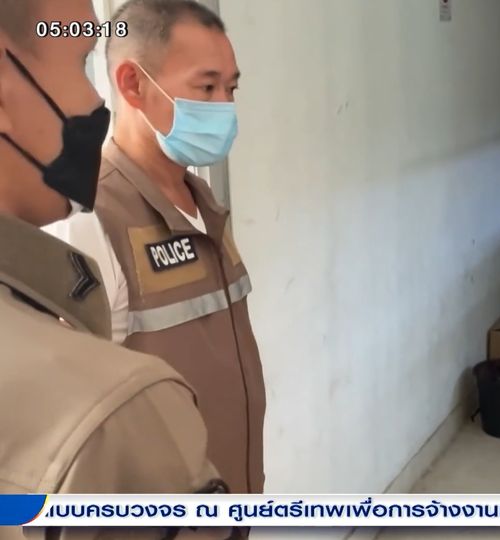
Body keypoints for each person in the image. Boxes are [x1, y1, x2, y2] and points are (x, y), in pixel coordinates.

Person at [0, 0, 226, 538]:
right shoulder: (113, 417)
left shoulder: (209, 208)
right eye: (81, 61)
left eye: (230, 88)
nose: (94, 98)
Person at [50, 0, 266, 494]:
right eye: (206, 88)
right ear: (133, 83)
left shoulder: (203, 203)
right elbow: (69, 430)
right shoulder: (90, 219)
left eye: (230, 89)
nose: (224, 107)